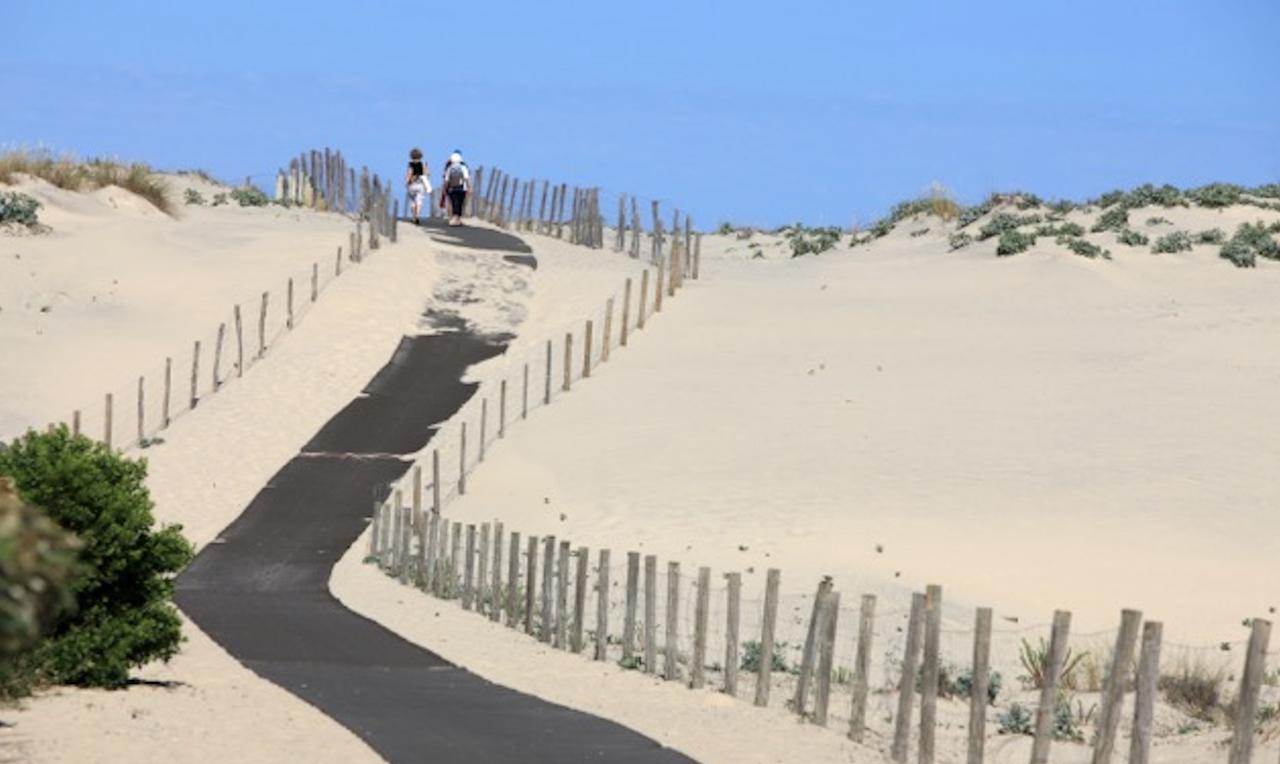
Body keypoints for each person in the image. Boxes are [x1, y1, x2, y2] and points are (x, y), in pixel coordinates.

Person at [441, 150, 470, 226]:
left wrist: (444, 188)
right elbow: (466, 178)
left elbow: (446, 179)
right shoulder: (463, 167)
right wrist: (469, 187)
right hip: (462, 188)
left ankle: (454, 219)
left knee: (454, 203)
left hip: (452, 188)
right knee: (460, 203)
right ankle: (458, 219)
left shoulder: (450, 168)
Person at [404, 148, 430, 224]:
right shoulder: (424, 163)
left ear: (411, 156)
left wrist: (406, 182)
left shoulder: (410, 164)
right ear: (421, 156)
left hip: (412, 184)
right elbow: (427, 174)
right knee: (419, 201)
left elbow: (409, 174)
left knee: (412, 201)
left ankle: (413, 217)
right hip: (420, 184)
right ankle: (417, 215)